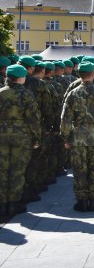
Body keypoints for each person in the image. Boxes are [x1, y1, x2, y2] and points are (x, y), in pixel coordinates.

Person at [60, 62, 94, 212]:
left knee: (79, 170)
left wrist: (65, 137)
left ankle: (82, 200)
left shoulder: (72, 93)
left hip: (78, 138)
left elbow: (65, 118)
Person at [0, 64, 40, 220]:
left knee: (2, 170)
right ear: (21, 78)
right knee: (17, 170)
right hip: (21, 135)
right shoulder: (27, 95)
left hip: (1, 135)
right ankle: (13, 203)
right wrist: (37, 137)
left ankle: (2, 204)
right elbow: (33, 119)